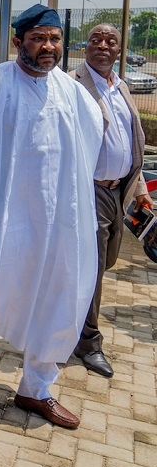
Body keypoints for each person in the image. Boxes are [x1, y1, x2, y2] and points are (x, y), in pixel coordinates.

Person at [0, 5, 102, 429]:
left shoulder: (70, 90)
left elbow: (91, 143)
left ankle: (36, 389)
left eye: (54, 38)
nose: (48, 47)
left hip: (58, 222)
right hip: (2, 213)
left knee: (59, 292)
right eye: (38, 38)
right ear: (18, 42)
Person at [70, 23, 150, 378]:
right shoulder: (73, 85)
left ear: (120, 49)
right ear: (85, 47)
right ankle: (88, 342)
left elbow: (132, 142)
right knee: (94, 267)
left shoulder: (121, 87)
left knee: (106, 261)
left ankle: (70, 320)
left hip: (120, 190)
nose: (102, 45)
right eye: (95, 40)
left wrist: (142, 191)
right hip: (89, 190)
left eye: (110, 41)